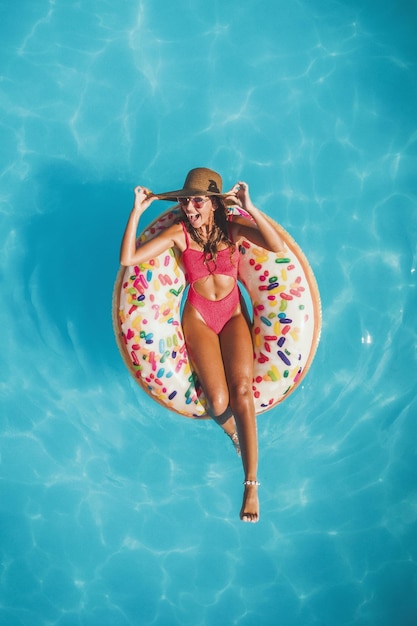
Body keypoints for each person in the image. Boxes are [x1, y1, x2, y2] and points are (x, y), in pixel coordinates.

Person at [120, 167, 285, 522]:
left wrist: (250, 207)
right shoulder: (179, 234)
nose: (189, 208)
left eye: (196, 201)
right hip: (199, 317)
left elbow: (277, 246)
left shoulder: (233, 230)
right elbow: (128, 260)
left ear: (213, 204)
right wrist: (137, 211)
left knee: (242, 392)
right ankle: (233, 433)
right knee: (218, 400)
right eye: (184, 200)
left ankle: (251, 484)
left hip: (233, 315)